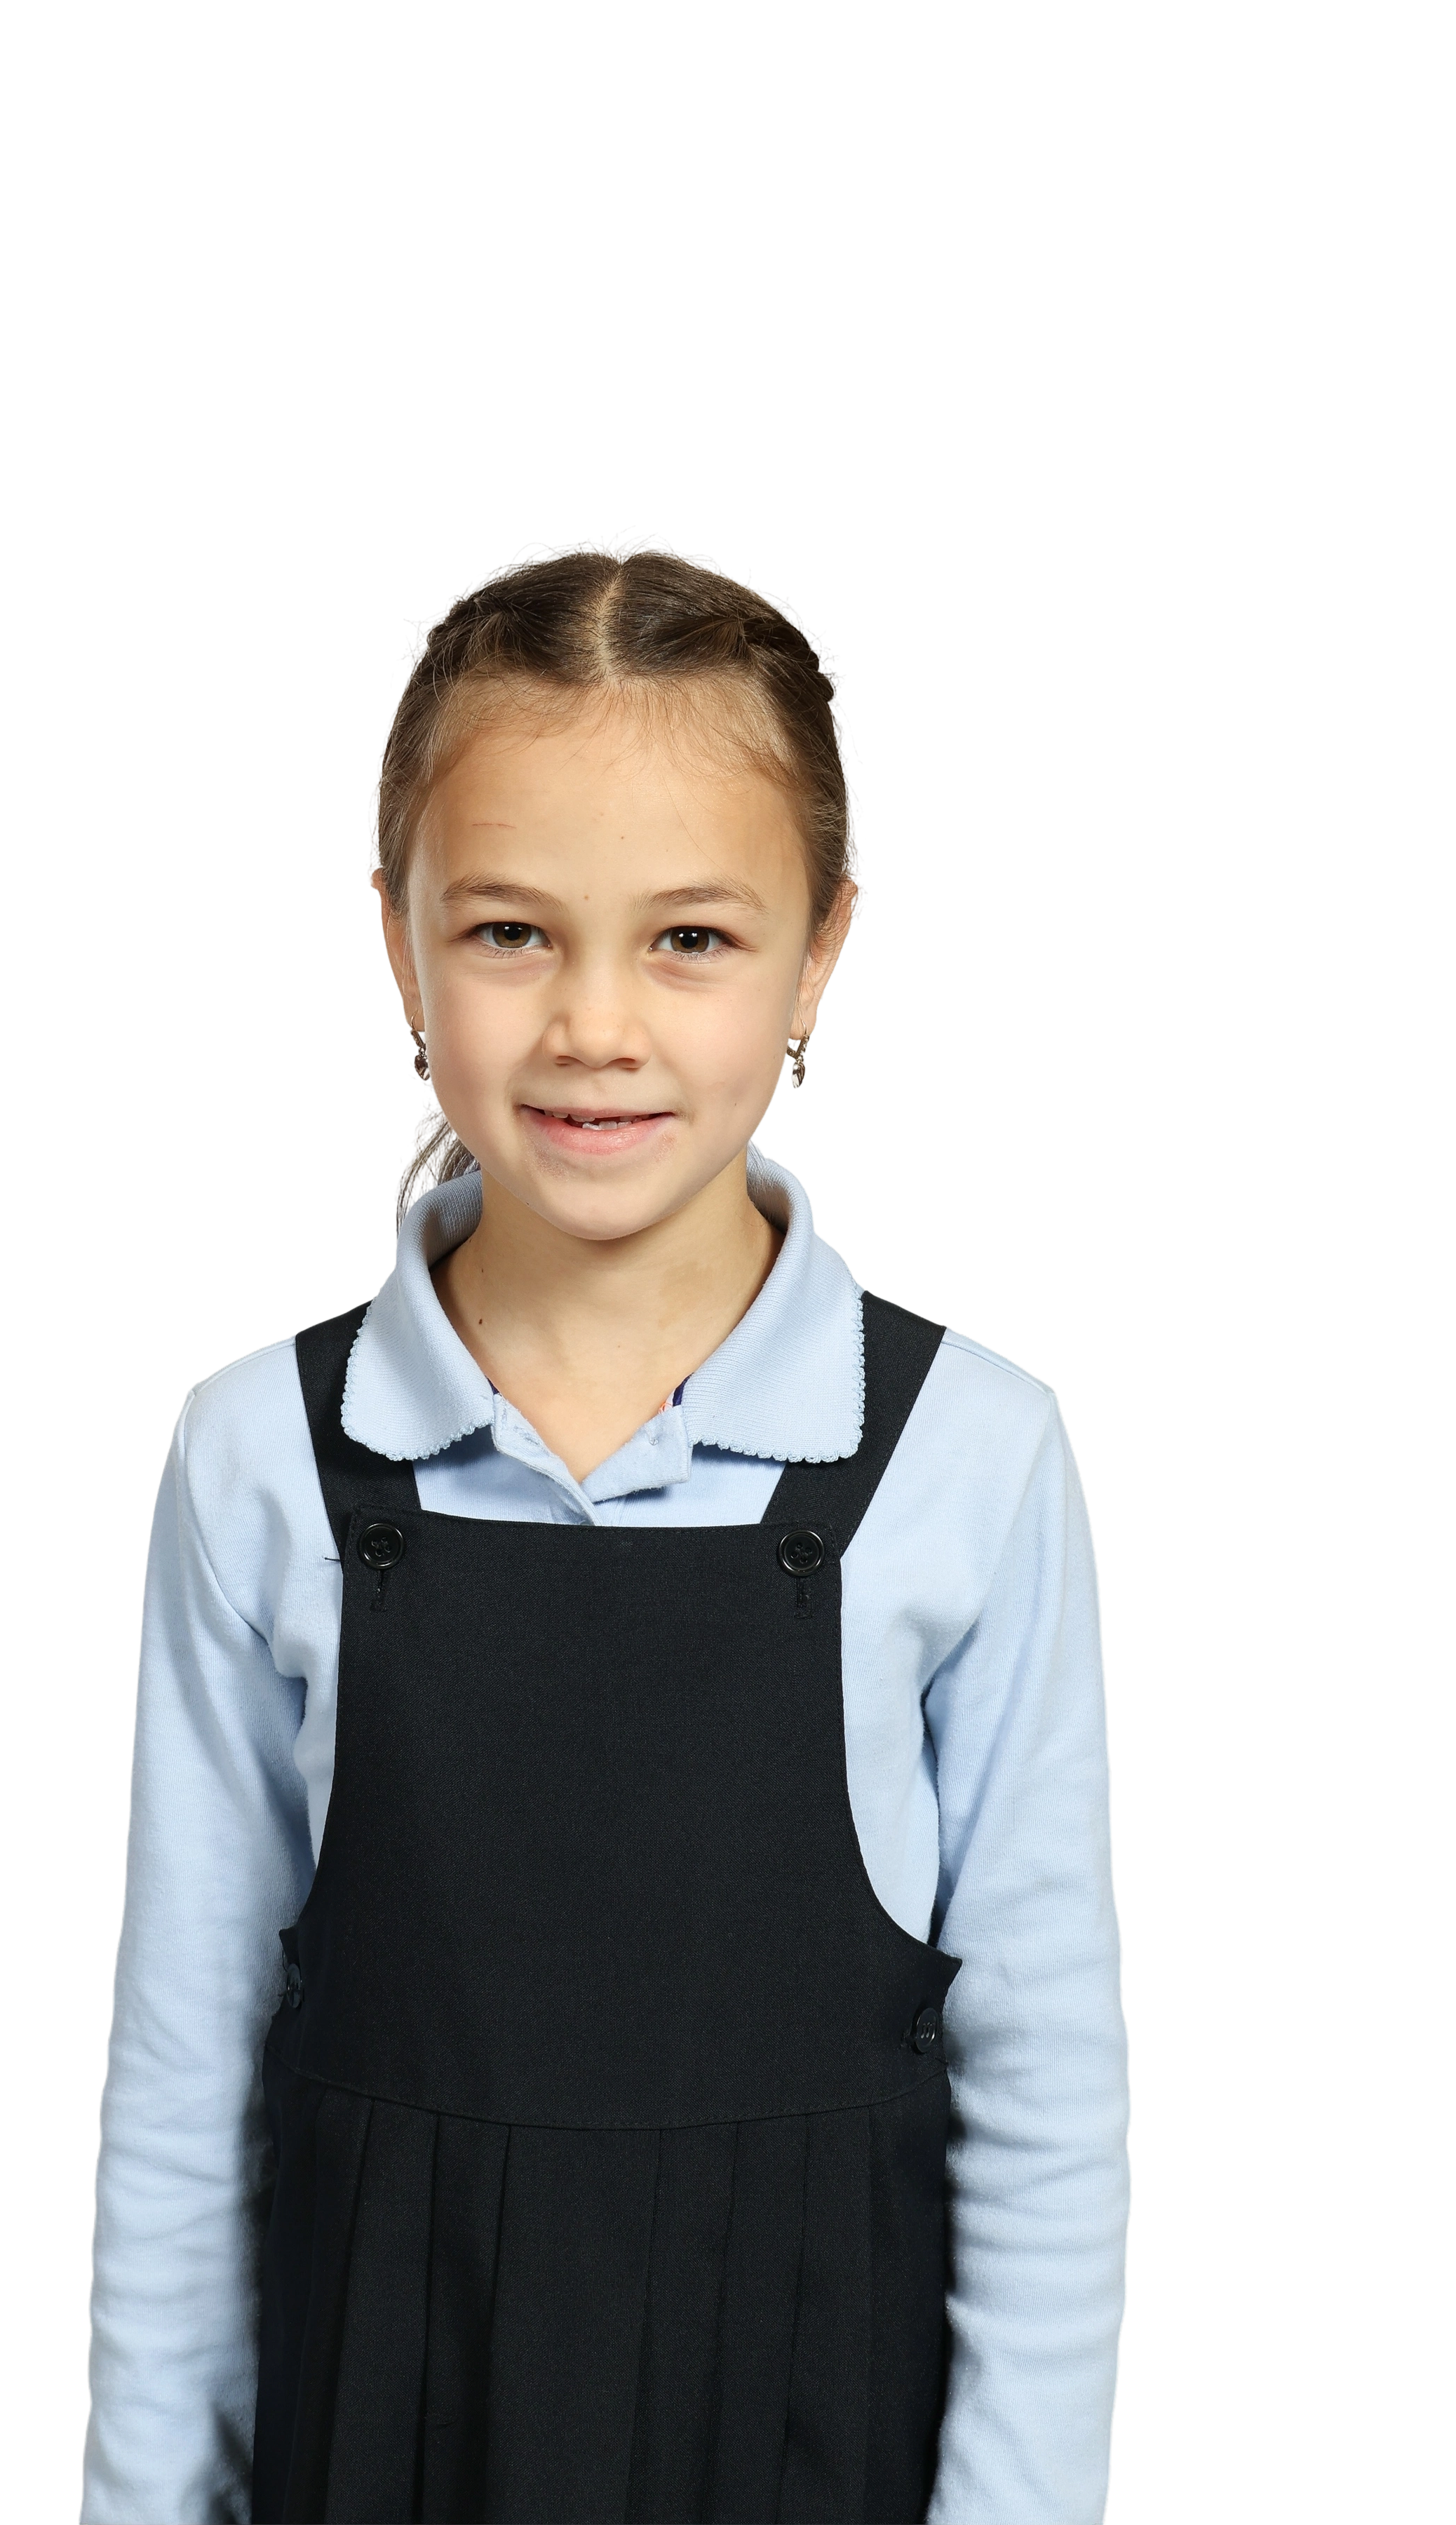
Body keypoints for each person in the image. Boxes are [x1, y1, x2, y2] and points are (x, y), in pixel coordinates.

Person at [79, 528, 1131, 2524]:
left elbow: (1048, 2099)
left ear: (823, 947)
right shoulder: (262, 1460)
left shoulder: (966, 1456)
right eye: (510, 933)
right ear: (398, 937)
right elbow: (186, 2102)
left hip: (808, 2444)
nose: (595, 1026)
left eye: (691, 939)